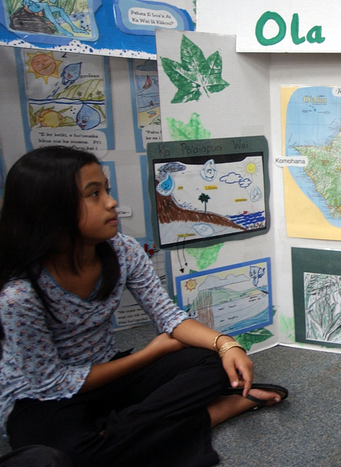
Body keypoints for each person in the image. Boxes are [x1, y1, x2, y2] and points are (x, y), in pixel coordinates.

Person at [0, 146, 288, 467]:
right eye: (94, 194)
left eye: (106, 190)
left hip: (108, 373)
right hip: (41, 399)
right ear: (50, 209)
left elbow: (169, 317)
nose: (112, 202)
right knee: (65, 459)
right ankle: (209, 414)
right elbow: (53, 383)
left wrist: (226, 345)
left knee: (212, 364)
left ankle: (119, 435)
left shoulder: (123, 250)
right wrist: (149, 354)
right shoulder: (19, 294)